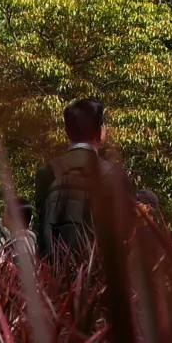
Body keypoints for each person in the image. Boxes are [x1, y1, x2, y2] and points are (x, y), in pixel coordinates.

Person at [35, 99, 113, 259]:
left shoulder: (47, 172)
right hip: (98, 274)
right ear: (100, 131)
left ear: (67, 131)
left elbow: (42, 222)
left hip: (54, 272)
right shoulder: (112, 174)